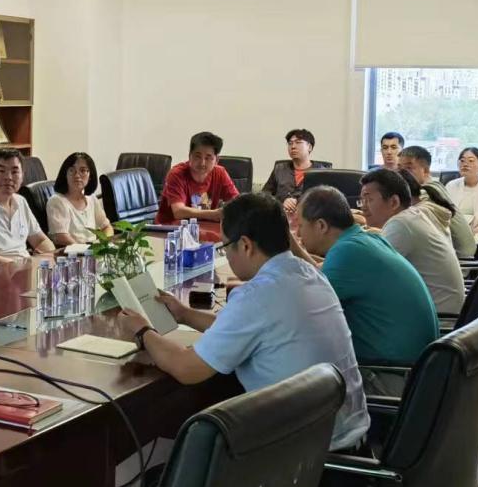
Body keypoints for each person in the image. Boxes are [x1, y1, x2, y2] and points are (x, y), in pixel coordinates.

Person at [114, 193, 369, 452]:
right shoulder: (308, 273)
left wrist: (142, 331)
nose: (226, 254)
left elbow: (186, 368)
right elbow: (247, 328)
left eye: (225, 246)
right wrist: (184, 314)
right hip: (347, 439)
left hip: (304, 458)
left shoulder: (257, 295)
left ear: (245, 245)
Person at [294, 186, 438, 395]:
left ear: (321, 226)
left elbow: (302, 310)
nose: (298, 234)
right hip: (417, 373)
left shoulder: (347, 253)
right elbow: (320, 275)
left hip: (388, 377)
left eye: (300, 226)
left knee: (288, 368)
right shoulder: (366, 240)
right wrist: (292, 247)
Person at [358, 167, 466, 315]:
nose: (363, 207)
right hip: (437, 312)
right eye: (361, 200)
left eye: (369, 200)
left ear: (394, 202)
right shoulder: (410, 217)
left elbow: (368, 277)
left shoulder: (401, 224)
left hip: (439, 318)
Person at [398, 144, 475, 258]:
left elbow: (406, 227)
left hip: (461, 260)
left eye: (408, 168)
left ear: (426, 170)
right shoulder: (435, 186)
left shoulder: (426, 194)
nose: (401, 174)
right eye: (399, 168)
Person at [155, 131, 239, 224]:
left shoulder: (220, 173)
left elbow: (238, 203)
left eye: (208, 158)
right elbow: (178, 212)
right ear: (189, 156)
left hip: (204, 228)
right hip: (169, 228)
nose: (202, 163)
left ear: (216, 160)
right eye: (197, 156)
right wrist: (213, 214)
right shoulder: (176, 174)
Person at [45, 151, 111, 247]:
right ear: (65, 174)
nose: (77, 175)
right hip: (71, 253)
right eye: (72, 170)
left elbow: (107, 227)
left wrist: (103, 244)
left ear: (90, 176)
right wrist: (84, 250)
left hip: (92, 251)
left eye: (83, 171)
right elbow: (61, 237)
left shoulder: (91, 199)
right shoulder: (57, 201)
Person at [262, 128, 326, 214]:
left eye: (298, 142)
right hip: (281, 216)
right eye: (290, 143)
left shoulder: (321, 172)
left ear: (309, 147)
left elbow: (327, 202)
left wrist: (300, 203)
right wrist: (281, 202)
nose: (293, 146)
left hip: (309, 218)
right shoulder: (279, 169)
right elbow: (264, 195)